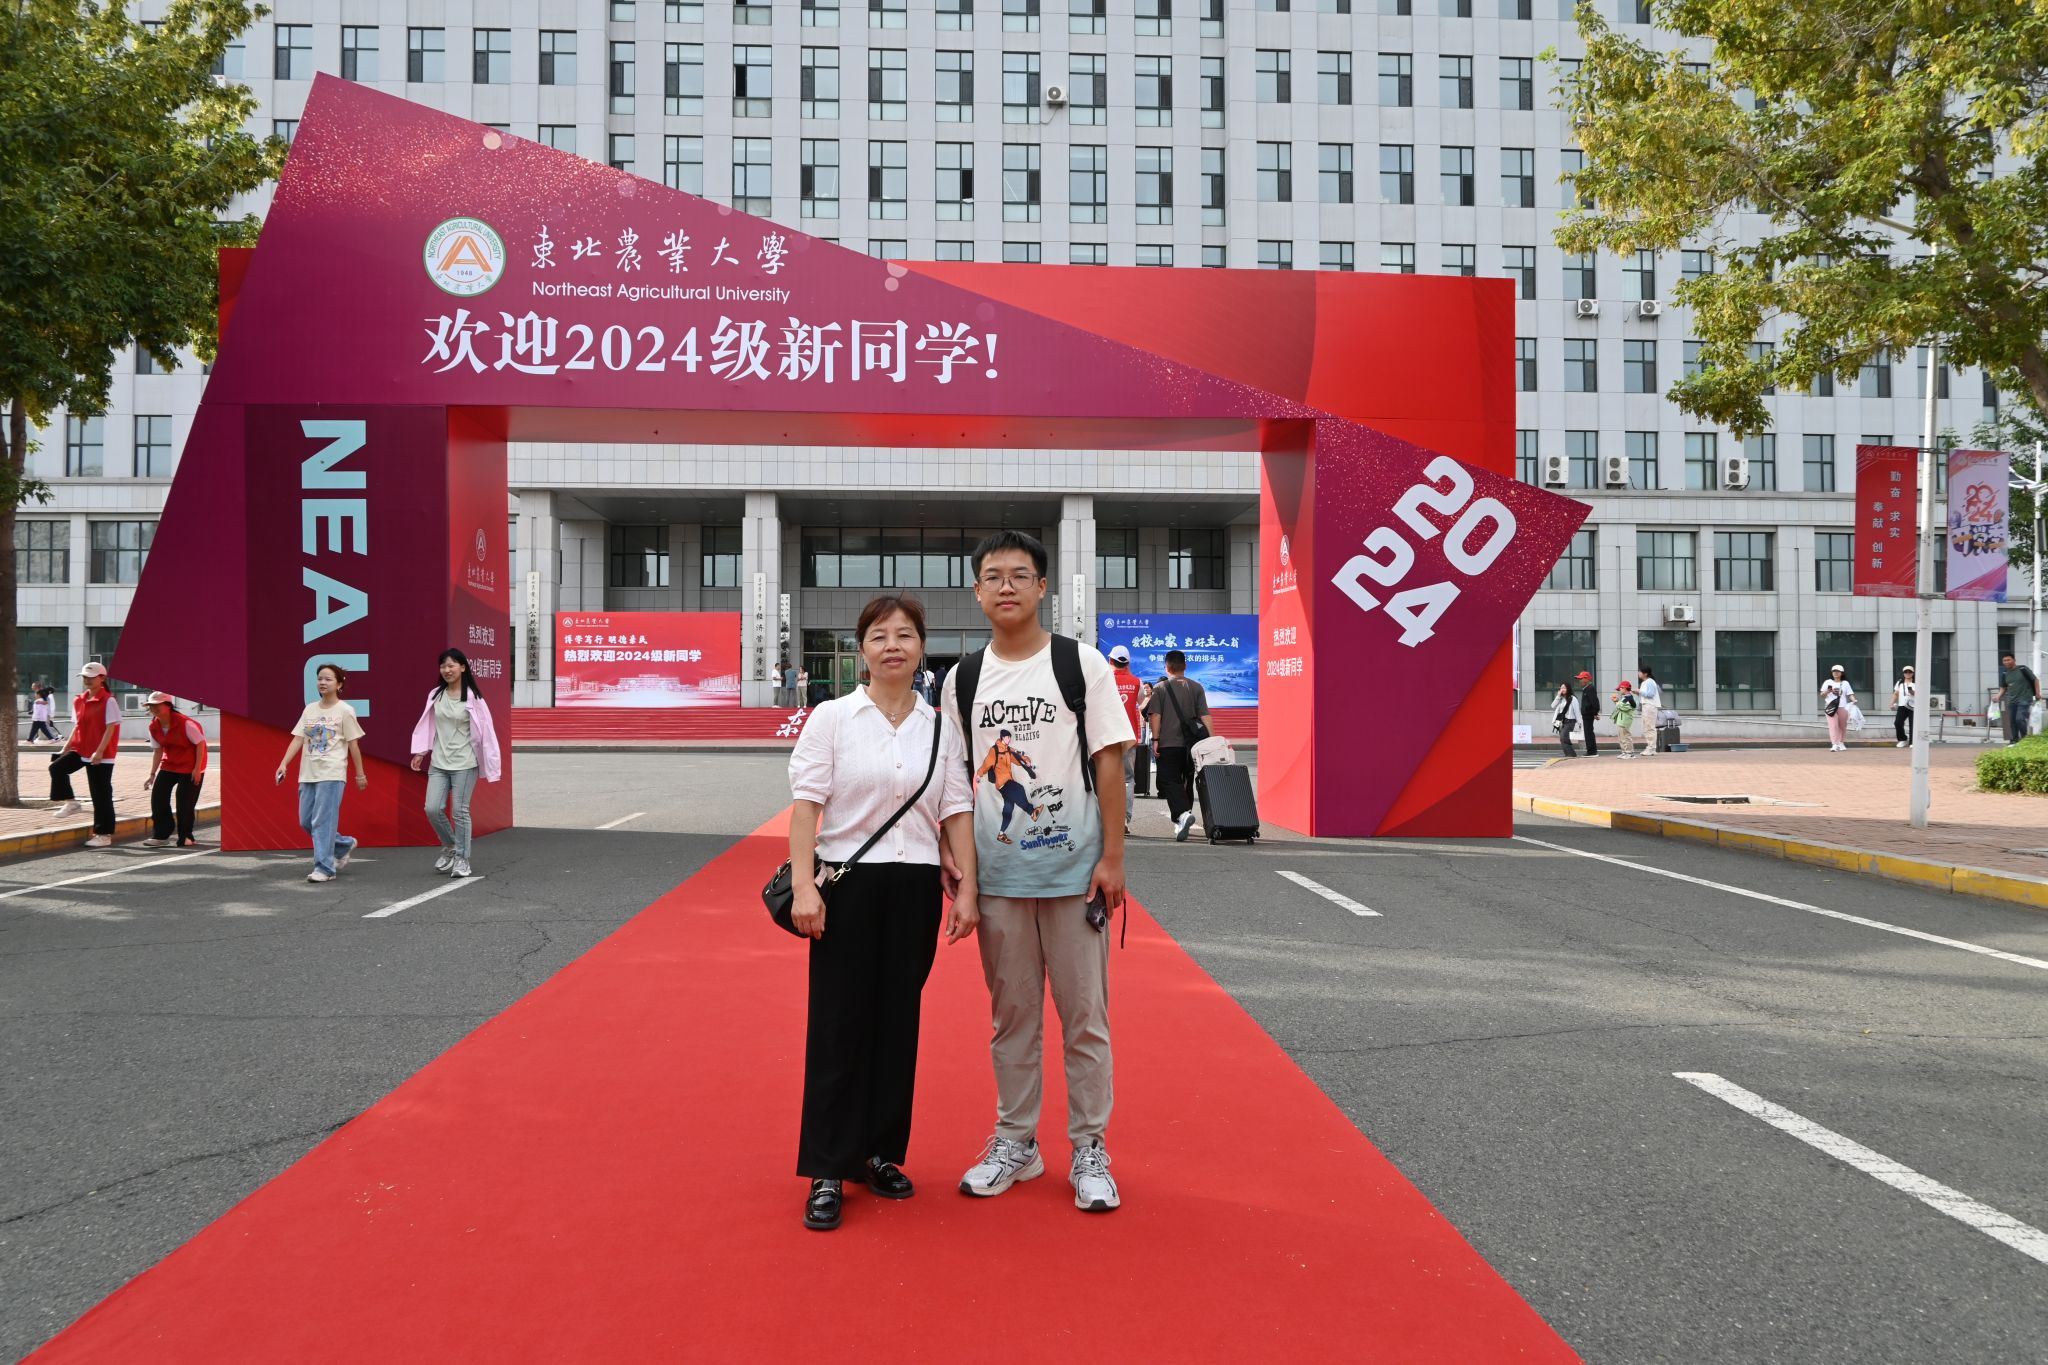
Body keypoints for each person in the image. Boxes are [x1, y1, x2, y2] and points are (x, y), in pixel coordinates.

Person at [941, 530, 1133, 1214]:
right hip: (998, 880)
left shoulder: (1080, 665)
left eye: (1020, 575)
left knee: (1085, 1019)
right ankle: (1016, 1142)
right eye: (993, 576)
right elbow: (955, 781)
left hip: (1075, 876)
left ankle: (1089, 1148)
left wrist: (1113, 858)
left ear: (1042, 587)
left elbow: (1109, 761)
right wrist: (958, 865)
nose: (1006, 586)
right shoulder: (963, 680)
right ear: (976, 590)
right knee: (1011, 1019)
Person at [786, 593, 977, 1232]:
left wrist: (968, 889)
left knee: (898, 1025)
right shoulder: (833, 718)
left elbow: (956, 811)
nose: (892, 645)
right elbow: (807, 807)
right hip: (847, 884)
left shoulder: (941, 727)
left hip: (915, 887)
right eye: (878, 636)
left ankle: (878, 1153)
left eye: (904, 635)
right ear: (861, 649)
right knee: (838, 1025)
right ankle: (827, 1167)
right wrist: (806, 887)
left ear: (921, 646)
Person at [408, 648, 503, 880]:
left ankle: (462, 858)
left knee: (460, 812)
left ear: (463, 667)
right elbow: (428, 724)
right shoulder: (436, 695)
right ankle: (451, 845)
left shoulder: (473, 698)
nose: (447, 670)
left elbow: (487, 731)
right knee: (432, 808)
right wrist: (421, 751)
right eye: (443, 666)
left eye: (451, 665)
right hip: (439, 762)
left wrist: (492, 762)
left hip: (465, 763)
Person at [276, 662, 367, 883]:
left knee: (322, 822)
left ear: (339, 684)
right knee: (306, 821)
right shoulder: (310, 709)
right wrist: (284, 763)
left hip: (332, 772)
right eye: (320, 679)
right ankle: (343, 844)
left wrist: (360, 774)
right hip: (308, 772)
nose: (322, 682)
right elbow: (298, 738)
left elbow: (353, 745)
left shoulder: (345, 710)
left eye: (328, 679)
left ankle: (325, 868)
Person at [48, 662, 121, 847]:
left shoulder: (109, 701)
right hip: (81, 749)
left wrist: (100, 751)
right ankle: (72, 803)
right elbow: (77, 726)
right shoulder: (79, 700)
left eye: (91, 677)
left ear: (102, 678)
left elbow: (111, 728)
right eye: (84, 677)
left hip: (102, 754)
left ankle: (103, 835)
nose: (87, 680)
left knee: (100, 795)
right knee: (56, 768)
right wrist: (65, 748)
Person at [1145, 649, 1212, 842]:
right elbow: (1205, 716)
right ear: (1185, 666)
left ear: (1167, 667)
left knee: (1169, 780)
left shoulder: (1160, 688)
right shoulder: (1196, 687)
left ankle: (1182, 815)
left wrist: (1155, 740)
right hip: (1192, 745)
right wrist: (1212, 741)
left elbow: (1155, 715)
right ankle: (1183, 818)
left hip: (1168, 743)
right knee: (1187, 781)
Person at [140, 692, 209, 848]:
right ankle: (161, 835)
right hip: (170, 764)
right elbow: (158, 751)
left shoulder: (185, 723)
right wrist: (152, 774)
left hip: (191, 765)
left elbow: (200, 744)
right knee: (158, 797)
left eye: (157, 705)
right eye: (151, 706)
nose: (153, 708)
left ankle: (186, 836)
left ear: (168, 705)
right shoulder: (154, 726)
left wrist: (197, 769)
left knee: (184, 803)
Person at [1107, 646, 1143, 832]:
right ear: (1127, 663)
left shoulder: (1103, 680)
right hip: (1128, 738)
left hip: (1107, 737)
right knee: (1127, 779)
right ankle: (1123, 820)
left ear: (1110, 661)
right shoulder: (1136, 682)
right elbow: (1142, 703)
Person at [1995, 652, 2040, 744]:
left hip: (2025, 698)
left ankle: (2024, 738)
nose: (2006, 662)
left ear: (2014, 660)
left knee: (2019, 719)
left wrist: (2037, 693)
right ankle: (2014, 740)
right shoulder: (2005, 673)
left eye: (2008, 660)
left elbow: (2035, 680)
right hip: (2012, 700)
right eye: (2004, 660)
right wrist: (1998, 696)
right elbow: (2003, 687)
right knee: (2012, 721)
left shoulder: (2023, 669)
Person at [1819, 664, 1855, 752]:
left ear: (1842, 673)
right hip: (1830, 706)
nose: (1835, 673)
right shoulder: (1827, 682)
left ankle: (1841, 742)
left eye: (1838, 671)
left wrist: (1854, 700)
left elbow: (1850, 694)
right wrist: (1828, 691)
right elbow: (1822, 695)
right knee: (1833, 725)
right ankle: (1834, 744)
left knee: (1842, 726)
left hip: (1843, 706)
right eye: (1834, 671)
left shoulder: (1845, 683)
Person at [1636, 667, 1663, 757]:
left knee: (1649, 727)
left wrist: (1640, 691)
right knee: (1647, 727)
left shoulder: (1650, 682)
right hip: (1647, 706)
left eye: (1640, 672)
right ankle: (1650, 747)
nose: (1638, 673)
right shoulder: (1645, 682)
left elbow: (1650, 694)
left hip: (1650, 706)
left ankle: (1651, 748)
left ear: (1645, 673)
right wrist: (1639, 692)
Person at [1610, 681, 1639, 758]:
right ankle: (1625, 752)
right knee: (1622, 737)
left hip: (1624, 720)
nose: (1619, 690)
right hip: (1622, 720)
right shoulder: (1626, 697)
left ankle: (1629, 753)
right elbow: (1621, 706)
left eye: (1620, 689)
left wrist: (1616, 702)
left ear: (1624, 688)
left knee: (1626, 736)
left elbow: (1623, 707)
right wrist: (1617, 702)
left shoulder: (1628, 698)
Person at [1575, 670, 1601, 756]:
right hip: (1587, 714)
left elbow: (1595, 702)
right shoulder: (1586, 689)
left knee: (1588, 733)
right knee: (1588, 732)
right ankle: (1591, 751)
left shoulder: (1590, 688)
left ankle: (1591, 751)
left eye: (1581, 679)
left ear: (1586, 679)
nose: (1579, 681)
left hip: (1588, 714)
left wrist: (1595, 713)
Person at [1891, 666, 1916, 748]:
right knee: (1897, 723)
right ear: (1903, 673)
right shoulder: (1900, 682)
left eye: (1910, 672)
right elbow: (1896, 693)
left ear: (1913, 673)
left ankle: (1913, 742)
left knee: (1913, 724)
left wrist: (1913, 692)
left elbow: (1922, 694)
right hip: (1902, 705)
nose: (1908, 673)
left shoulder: (1917, 682)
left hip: (1914, 706)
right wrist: (1892, 703)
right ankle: (1903, 739)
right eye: (1906, 672)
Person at [1550, 683, 1578, 758]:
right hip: (1562, 722)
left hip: (1570, 721)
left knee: (1563, 737)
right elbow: (1552, 706)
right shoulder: (1561, 699)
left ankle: (1571, 754)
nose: (1562, 689)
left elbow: (1577, 711)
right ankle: (1569, 754)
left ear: (1568, 689)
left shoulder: (1573, 699)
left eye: (1564, 688)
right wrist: (1558, 696)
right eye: (1561, 688)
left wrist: (1579, 723)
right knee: (1563, 738)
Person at [27, 681, 59, 746]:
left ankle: (52, 739)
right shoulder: (38, 700)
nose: (31, 687)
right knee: (39, 728)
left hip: (39, 717)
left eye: (33, 686)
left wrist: (37, 714)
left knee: (39, 728)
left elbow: (45, 704)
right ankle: (30, 739)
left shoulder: (40, 698)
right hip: (39, 717)